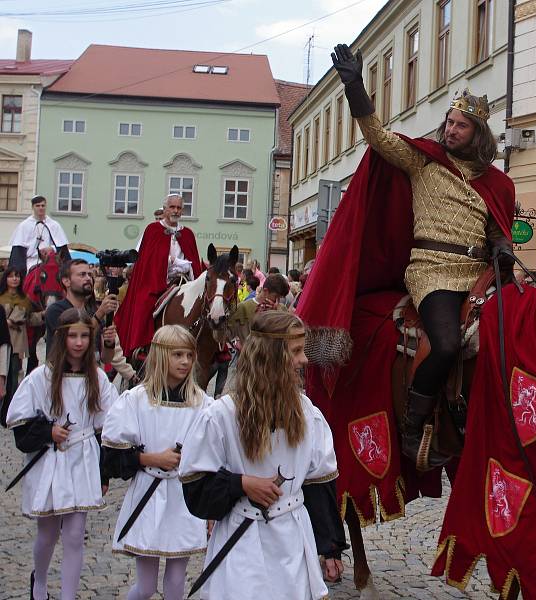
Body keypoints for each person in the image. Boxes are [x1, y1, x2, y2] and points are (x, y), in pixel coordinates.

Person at [307, 43, 515, 469]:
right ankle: (415, 424)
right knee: (445, 344)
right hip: (432, 271)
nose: (452, 130)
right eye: (449, 122)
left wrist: (502, 247)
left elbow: (498, 227)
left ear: (478, 134)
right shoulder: (423, 161)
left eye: (461, 125)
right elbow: (377, 137)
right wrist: (354, 86)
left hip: (478, 274)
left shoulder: (496, 181)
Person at [179, 311, 347, 598]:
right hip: (242, 540)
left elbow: (320, 485)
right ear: (271, 357)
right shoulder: (222, 415)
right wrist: (241, 484)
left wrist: (330, 547)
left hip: (293, 540)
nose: (304, 360)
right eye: (296, 352)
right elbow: (197, 489)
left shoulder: (309, 414)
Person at [6, 308, 118, 600]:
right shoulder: (40, 378)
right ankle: (40, 584)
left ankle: (68, 596)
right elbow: (20, 426)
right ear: (61, 338)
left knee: (74, 534)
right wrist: (48, 432)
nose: (79, 342)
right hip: (51, 462)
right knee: (48, 533)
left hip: (82, 458)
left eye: (84, 336)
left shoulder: (98, 379)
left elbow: (108, 427)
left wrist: (103, 471)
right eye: (73, 336)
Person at [102, 325, 212, 600]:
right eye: (177, 355)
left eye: (189, 355)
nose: (185, 362)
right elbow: (113, 456)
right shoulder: (136, 400)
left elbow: (216, 452)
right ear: (161, 356)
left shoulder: (202, 404)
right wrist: (150, 458)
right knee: (147, 587)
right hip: (148, 495)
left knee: (176, 581)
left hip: (183, 498)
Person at [115, 194, 202, 355]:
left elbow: (194, 262)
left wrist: (187, 266)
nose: (176, 211)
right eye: (172, 207)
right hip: (156, 282)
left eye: (179, 208)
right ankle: (140, 347)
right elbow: (147, 261)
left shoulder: (188, 234)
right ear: (165, 209)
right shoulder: (153, 230)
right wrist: (172, 261)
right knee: (143, 304)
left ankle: (214, 349)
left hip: (184, 280)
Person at [0, 266, 43, 425]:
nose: (14, 279)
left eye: (17, 276)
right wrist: (9, 321)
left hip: (17, 343)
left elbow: (31, 319)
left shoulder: (25, 299)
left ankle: (8, 413)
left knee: (13, 378)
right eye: (11, 276)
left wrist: (44, 314)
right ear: (6, 279)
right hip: (2, 341)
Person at [8, 195, 69, 275]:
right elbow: (18, 251)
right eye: (38, 206)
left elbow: (63, 249)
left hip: (51, 263)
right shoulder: (24, 225)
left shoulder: (54, 225)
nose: (41, 208)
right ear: (33, 207)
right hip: (30, 264)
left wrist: (52, 248)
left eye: (43, 205)